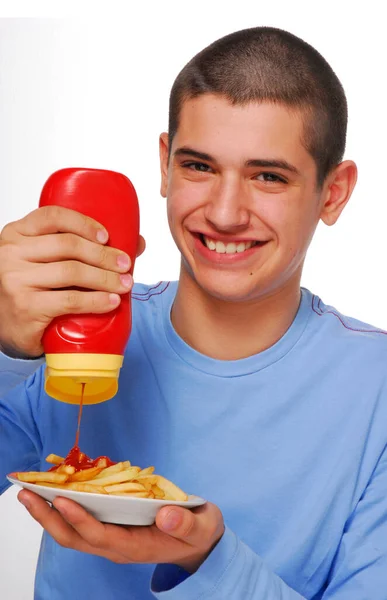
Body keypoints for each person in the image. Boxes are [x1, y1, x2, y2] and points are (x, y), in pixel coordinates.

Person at [0, 25, 386, 600]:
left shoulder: (375, 390)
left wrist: (206, 562)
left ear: (334, 192)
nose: (225, 213)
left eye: (268, 176)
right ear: (164, 163)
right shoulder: (66, 330)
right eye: (199, 167)